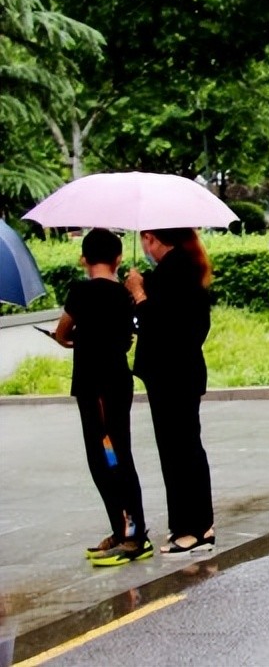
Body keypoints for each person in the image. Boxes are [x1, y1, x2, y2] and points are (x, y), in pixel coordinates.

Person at [55, 229, 150, 566]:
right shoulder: (124, 296)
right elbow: (127, 338)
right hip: (116, 383)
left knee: (107, 458)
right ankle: (125, 528)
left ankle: (133, 535)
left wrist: (69, 338)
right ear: (119, 259)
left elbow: (64, 330)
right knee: (117, 454)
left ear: (84, 259)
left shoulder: (79, 292)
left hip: (93, 389)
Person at [124, 227, 214, 554]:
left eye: (144, 240)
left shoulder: (171, 273)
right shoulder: (186, 268)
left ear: (152, 238)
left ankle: (188, 527)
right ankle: (200, 522)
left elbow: (162, 327)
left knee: (177, 450)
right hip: (184, 371)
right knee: (187, 446)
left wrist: (139, 294)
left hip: (170, 373)